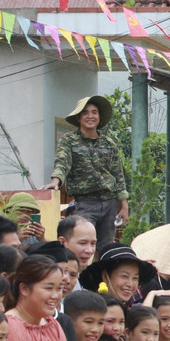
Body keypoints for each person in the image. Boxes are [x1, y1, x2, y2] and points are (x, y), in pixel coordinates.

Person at [46, 95, 129, 248]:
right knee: (83, 243)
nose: (90, 116)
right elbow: (62, 162)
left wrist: (123, 205)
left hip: (109, 202)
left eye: (94, 112)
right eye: (85, 113)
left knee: (105, 247)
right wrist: (55, 181)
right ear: (78, 117)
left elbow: (118, 174)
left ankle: (101, 272)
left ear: (99, 116)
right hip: (85, 202)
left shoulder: (109, 143)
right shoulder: (69, 140)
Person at [79, 242, 157, 307]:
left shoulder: (133, 311)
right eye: (124, 276)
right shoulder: (90, 308)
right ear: (105, 277)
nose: (130, 284)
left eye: (135, 278)